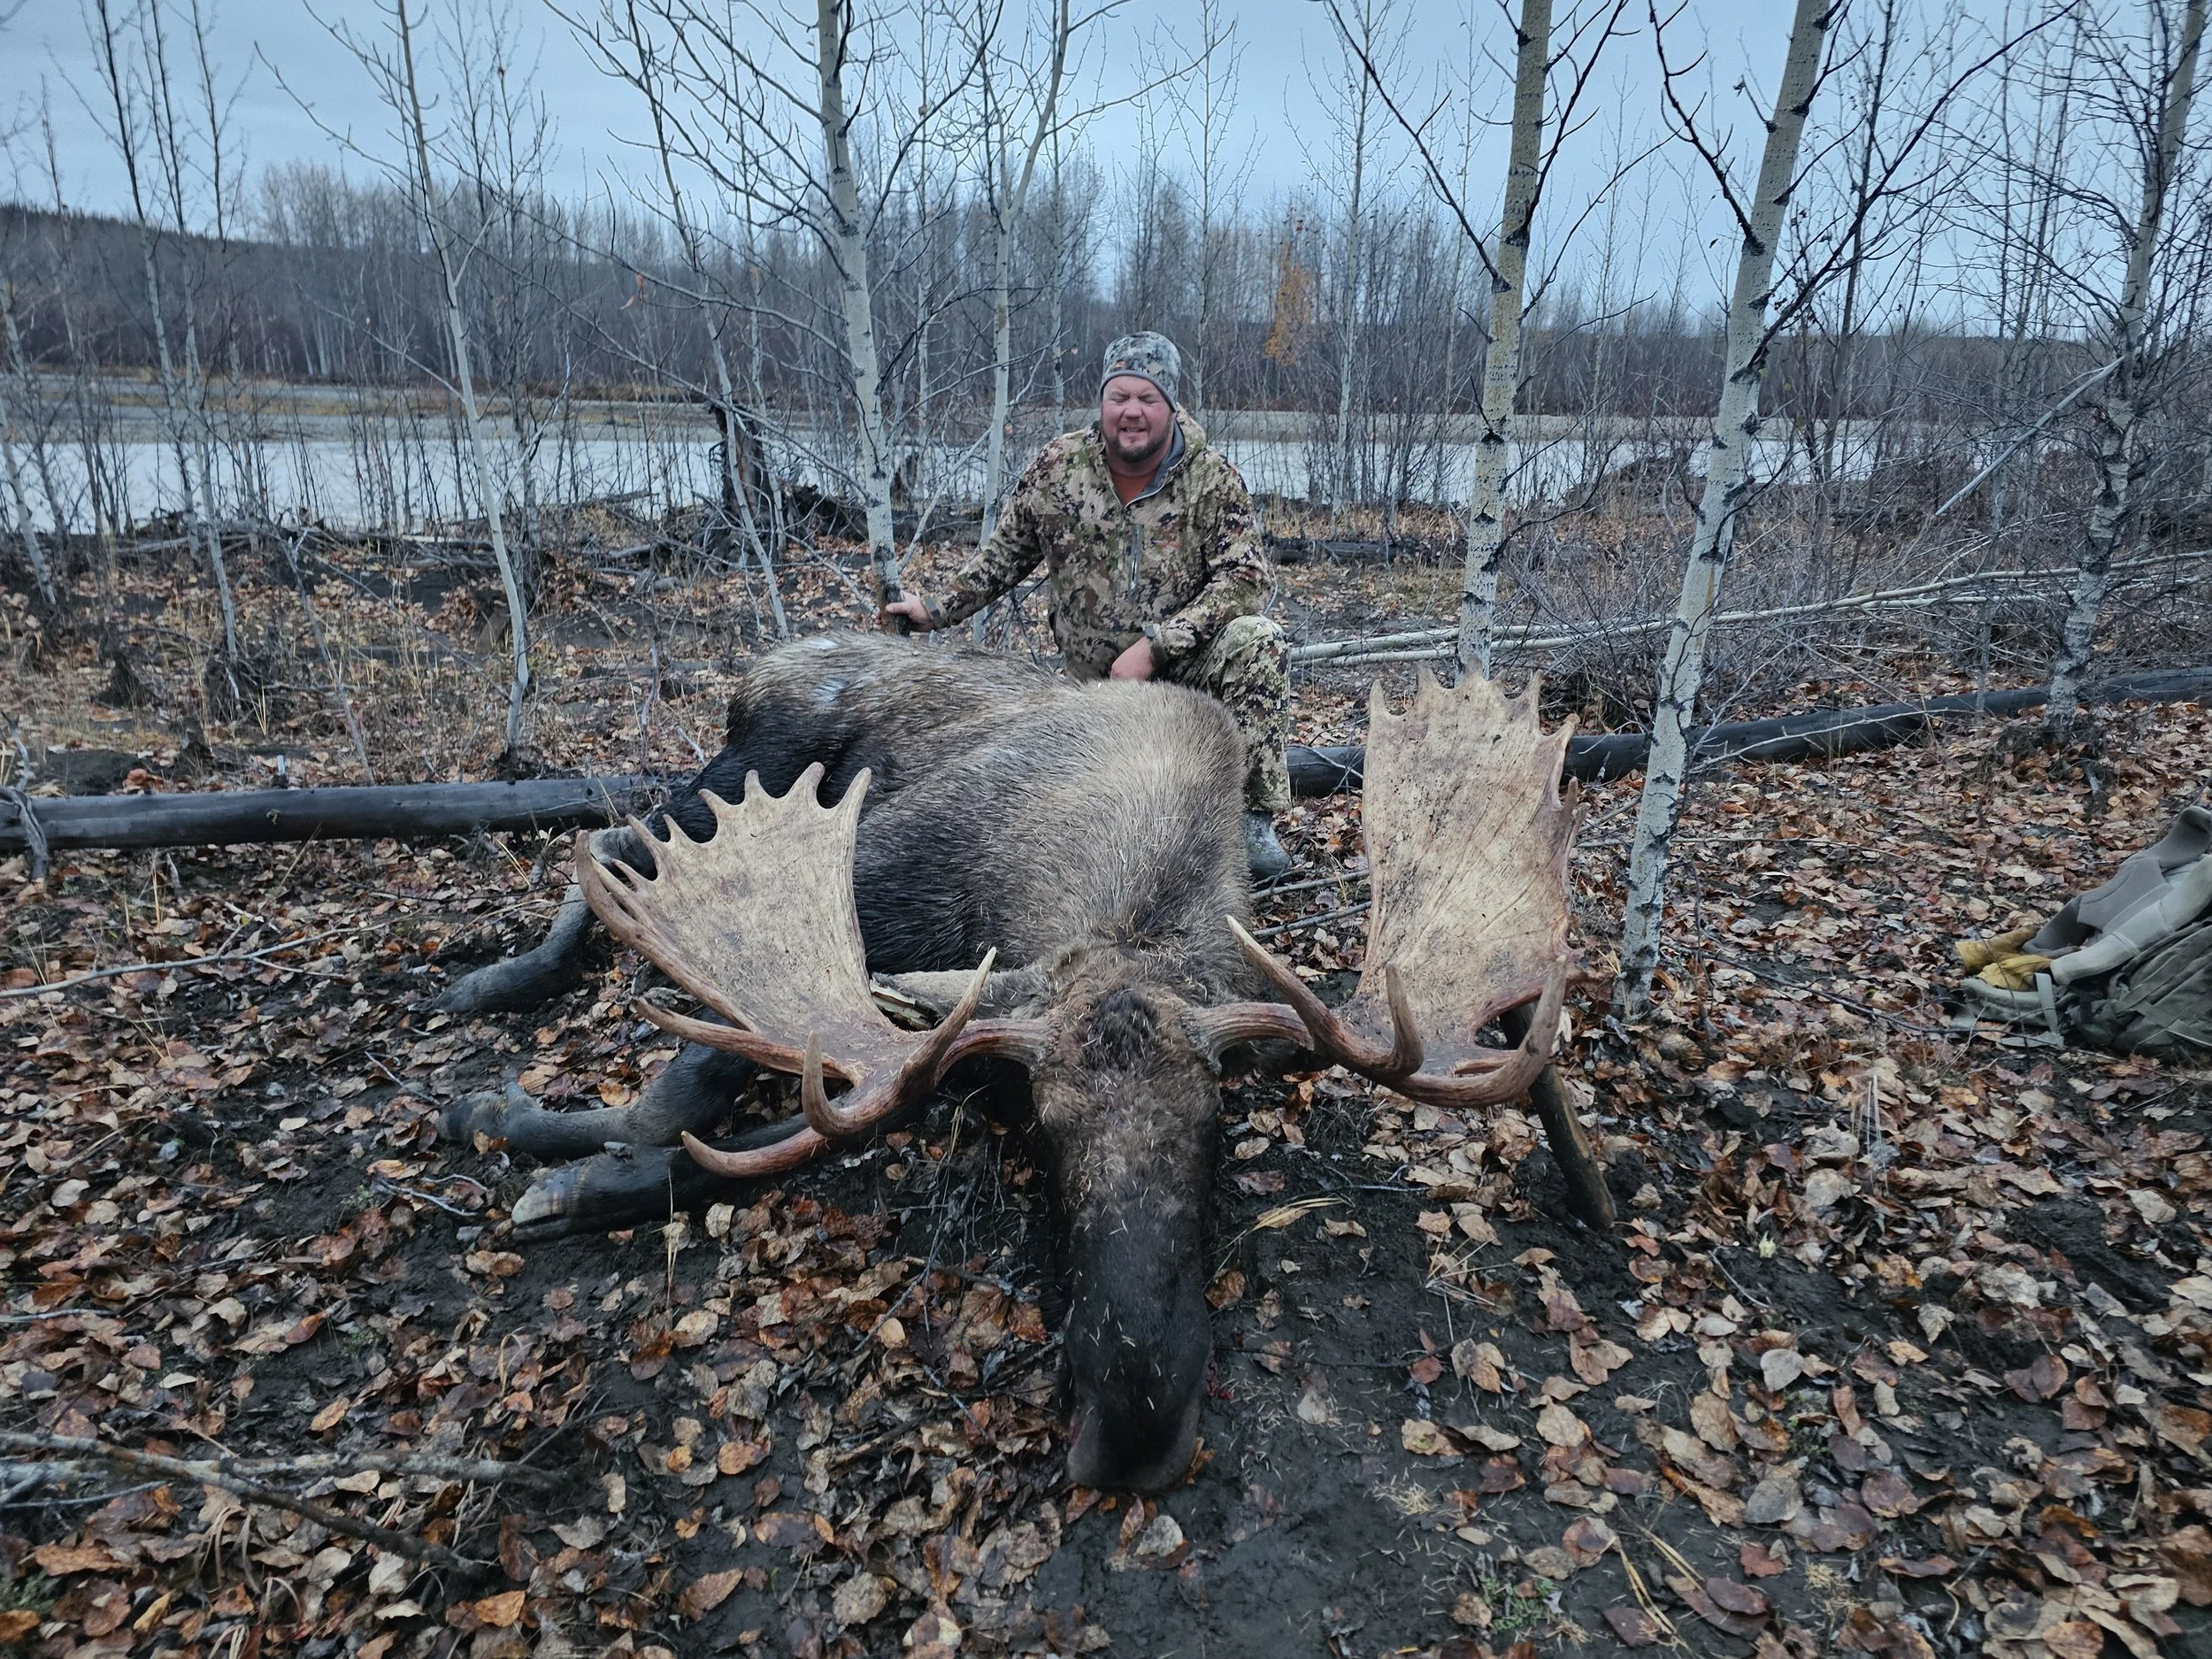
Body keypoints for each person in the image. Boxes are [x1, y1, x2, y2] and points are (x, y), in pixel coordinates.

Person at [885, 331, 1294, 879]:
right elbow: (1003, 557)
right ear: (1101, 401)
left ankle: (1250, 825)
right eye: (1119, 397)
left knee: (1258, 642)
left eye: (1147, 399)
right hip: (1089, 692)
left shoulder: (1211, 479)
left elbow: (1245, 579)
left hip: (1184, 680)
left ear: (1171, 406)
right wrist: (933, 608)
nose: (1131, 412)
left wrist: (1158, 646)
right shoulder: (1059, 467)